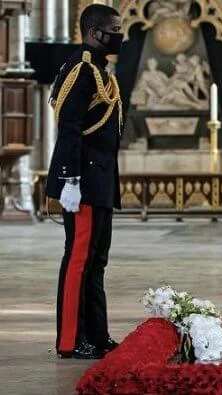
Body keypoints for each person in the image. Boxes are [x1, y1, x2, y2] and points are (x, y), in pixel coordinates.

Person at [45, 4, 123, 359]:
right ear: (94, 32)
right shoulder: (81, 69)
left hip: (100, 179)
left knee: (97, 259)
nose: (119, 36)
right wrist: (70, 180)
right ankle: (71, 340)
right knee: (78, 258)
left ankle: (97, 333)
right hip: (84, 180)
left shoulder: (102, 72)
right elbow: (70, 128)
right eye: (114, 30)